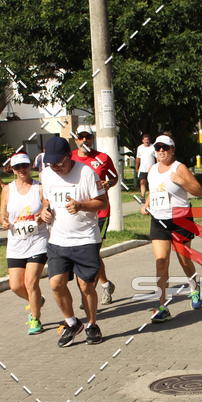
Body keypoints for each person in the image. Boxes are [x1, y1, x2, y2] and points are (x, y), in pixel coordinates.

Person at [40, 136, 107, 347]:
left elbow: (102, 202)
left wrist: (81, 206)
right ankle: (72, 323)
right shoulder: (47, 174)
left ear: (69, 156)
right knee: (55, 284)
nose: (56, 167)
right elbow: (47, 199)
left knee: (86, 286)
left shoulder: (86, 172)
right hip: (58, 240)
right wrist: (44, 211)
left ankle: (92, 325)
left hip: (85, 238)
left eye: (59, 162)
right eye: (51, 163)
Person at [140, 133, 202, 322]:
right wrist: (146, 203)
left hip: (180, 219)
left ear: (172, 150)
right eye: (158, 148)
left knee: (184, 261)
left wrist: (182, 181)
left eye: (165, 148)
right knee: (161, 262)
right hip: (159, 221)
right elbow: (154, 190)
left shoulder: (179, 168)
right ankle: (162, 305)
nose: (161, 151)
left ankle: (194, 287)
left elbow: (198, 191)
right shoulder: (151, 170)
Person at [0, 152, 48, 335]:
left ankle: (35, 319)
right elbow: (2, 214)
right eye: (17, 167)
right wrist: (3, 221)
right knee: (15, 286)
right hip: (16, 243)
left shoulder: (40, 188)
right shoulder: (8, 189)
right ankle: (36, 300)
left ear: (30, 167)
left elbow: (46, 207)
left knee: (30, 282)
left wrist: (43, 215)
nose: (21, 170)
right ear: (12, 169)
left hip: (38, 241)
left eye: (24, 166)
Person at [71, 125, 118, 305]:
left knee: (91, 252)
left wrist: (109, 183)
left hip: (100, 211)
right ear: (76, 139)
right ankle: (105, 284)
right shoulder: (70, 158)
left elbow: (114, 177)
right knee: (87, 254)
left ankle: (88, 290)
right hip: (78, 212)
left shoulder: (103, 158)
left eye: (88, 137)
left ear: (92, 138)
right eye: (81, 137)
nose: (84, 141)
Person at [135, 133, 156, 202]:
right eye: (145, 140)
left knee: (151, 183)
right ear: (142, 141)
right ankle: (142, 196)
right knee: (142, 182)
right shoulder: (140, 148)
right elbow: (138, 159)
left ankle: (152, 197)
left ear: (149, 140)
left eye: (148, 140)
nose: (146, 141)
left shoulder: (153, 147)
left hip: (152, 169)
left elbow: (157, 159)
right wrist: (137, 168)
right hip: (143, 169)